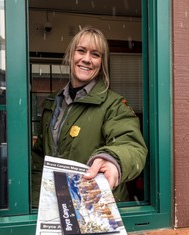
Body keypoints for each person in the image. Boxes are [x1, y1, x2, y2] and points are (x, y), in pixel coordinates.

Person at [31, 26, 148, 207]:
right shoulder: (53, 102)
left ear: (102, 63)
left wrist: (113, 161)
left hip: (96, 204)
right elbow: (40, 155)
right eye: (81, 51)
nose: (86, 59)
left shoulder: (114, 105)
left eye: (95, 54)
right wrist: (36, 200)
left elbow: (132, 146)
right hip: (54, 204)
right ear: (71, 55)